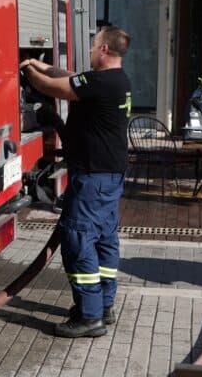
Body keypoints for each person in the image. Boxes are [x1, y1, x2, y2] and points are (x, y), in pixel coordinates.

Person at [19, 26, 131, 338]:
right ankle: (104, 306)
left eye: (95, 45)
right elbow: (68, 75)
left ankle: (89, 316)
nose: (91, 50)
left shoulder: (100, 82)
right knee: (104, 239)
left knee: (78, 239)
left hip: (94, 179)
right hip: (108, 176)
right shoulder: (116, 79)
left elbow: (55, 87)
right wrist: (38, 64)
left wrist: (29, 73)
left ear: (105, 50)